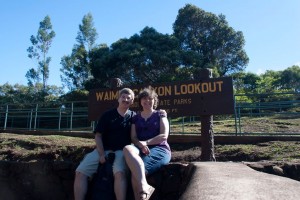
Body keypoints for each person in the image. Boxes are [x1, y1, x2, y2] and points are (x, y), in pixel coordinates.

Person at [74, 88, 135, 200]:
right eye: (123, 97)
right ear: (118, 98)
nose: (125, 100)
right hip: (103, 149)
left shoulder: (134, 116)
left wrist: (161, 113)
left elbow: (149, 116)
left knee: (119, 173)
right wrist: (101, 154)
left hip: (121, 151)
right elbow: (98, 135)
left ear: (132, 101)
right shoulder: (107, 115)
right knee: (80, 172)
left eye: (128, 98)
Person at [123, 86, 171, 200]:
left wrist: (146, 142)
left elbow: (164, 135)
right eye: (144, 98)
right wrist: (141, 144)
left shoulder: (160, 114)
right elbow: (133, 137)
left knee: (138, 171)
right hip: (139, 147)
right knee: (127, 148)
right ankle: (145, 188)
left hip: (160, 148)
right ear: (140, 101)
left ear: (154, 101)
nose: (147, 101)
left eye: (150, 98)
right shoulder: (135, 118)